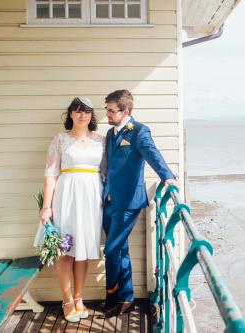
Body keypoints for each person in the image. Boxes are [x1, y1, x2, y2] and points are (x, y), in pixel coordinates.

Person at [102, 89, 178, 317]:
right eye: (106, 109)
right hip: (109, 200)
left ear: (125, 111)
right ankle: (126, 299)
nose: (107, 114)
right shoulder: (110, 133)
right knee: (121, 249)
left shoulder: (139, 131)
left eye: (111, 110)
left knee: (112, 251)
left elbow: (152, 154)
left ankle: (112, 296)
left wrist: (168, 176)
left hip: (129, 202)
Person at [39, 97, 105, 322]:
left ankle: (79, 297)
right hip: (66, 198)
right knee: (65, 250)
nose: (82, 115)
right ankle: (67, 300)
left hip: (92, 199)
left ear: (91, 115)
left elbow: (108, 172)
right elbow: (50, 174)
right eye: (77, 111)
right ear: (70, 115)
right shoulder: (60, 139)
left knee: (83, 250)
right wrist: (46, 206)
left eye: (86, 111)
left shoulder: (101, 141)